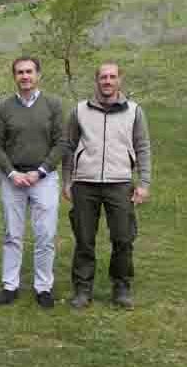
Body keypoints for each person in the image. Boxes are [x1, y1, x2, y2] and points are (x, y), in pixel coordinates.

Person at [62, 62, 152, 310]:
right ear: (97, 81)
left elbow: (143, 146)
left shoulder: (134, 111)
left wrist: (143, 183)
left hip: (120, 183)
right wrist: (67, 180)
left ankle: (121, 288)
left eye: (112, 77)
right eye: (103, 77)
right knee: (84, 240)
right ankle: (82, 290)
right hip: (84, 184)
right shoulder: (79, 110)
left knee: (123, 238)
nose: (108, 81)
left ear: (119, 80)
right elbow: (68, 147)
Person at [0, 57, 64, 309]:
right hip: (13, 179)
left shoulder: (52, 105)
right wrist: (12, 173)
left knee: (45, 235)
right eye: (20, 72)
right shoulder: (5, 107)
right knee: (13, 234)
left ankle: (43, 286)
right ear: (14, 76)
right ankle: (10, 284)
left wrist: (41, 171)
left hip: (43, 178)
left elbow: (61, 143)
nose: (25, 76)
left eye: (29, 72)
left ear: (38, 75)